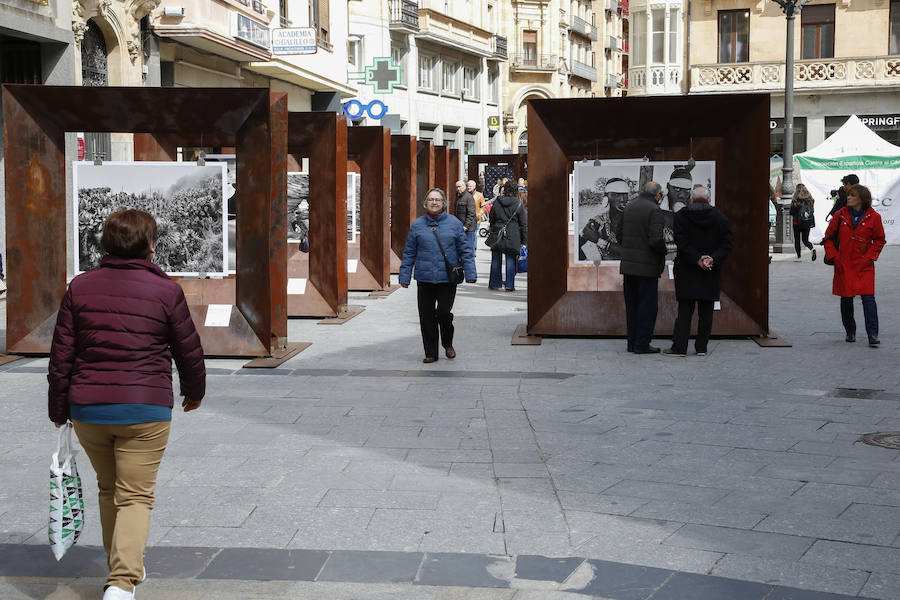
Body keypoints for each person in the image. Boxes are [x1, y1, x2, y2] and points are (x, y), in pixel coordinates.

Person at [47, 209, 206, 600]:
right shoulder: (167, 290)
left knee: (108, 488)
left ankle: (122, 564)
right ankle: (121, 581)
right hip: (145, 408)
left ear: (106, 244)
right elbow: (188, 349)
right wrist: (194, 390)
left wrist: (58, 408)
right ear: (151, 246)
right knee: (135, 494)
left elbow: (61, 354)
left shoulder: (80, 288)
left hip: (89, 408)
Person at [400, 188, 477, 363]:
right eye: (430, 200)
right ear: (425, 203)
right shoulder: (418, 225)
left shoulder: (454, 223)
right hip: (425, 278)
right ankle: (431, 353)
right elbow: (409, 252)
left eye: (437, 200)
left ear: (443, 203)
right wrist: (405, 276)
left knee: (443, 313)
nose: (434, 202)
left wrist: (471, 272)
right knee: (426, 316)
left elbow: (465, 250)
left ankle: (447, 343)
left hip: (447, 279)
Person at [663, 186, 733, 357]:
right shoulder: (721, 218)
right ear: (709, 199)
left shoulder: (681, 216)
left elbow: (680, 242)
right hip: (709, 270)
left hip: (687, 269)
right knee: (706, 311)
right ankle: (701, 348)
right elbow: (727, 245)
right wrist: (711, 259)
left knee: (685, 310)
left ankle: (679, 347)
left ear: (692, 199)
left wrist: (696, 259)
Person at [823, 184, 885, 347]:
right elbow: (828, 237)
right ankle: (850, 331)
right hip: (844, 263)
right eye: (848, 195)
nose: (848, 197)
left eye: (853, 195)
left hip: (864, 264)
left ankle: (872, 334)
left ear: (862, 199)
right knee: (846, 299)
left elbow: (879, 240)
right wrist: (834, 256)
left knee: (868, 298)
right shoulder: (840, 215)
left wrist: (870, 256)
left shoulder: (874, 217)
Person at [618, 182, 667, 354]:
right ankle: (642, 344)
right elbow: (655, 240)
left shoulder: (629, 206)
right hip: (647, 268)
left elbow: (619, 236)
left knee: (632, 306)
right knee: (647, 307)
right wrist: (664, 250)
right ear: (658, 195)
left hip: (629, 267)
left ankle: (632, 343)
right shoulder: (655, 211)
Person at [487, 180, 527, 292]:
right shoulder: (518, 204)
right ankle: (509, 285)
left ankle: (494, 283)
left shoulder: (497, 202)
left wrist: (494, 228)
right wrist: (524, 240)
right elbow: (523, 224)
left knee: (496, 259)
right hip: (513, 235)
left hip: (498, 233)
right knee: (510, 260)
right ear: (515, 191)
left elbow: (491, 218)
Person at [579, 177, 630, 261]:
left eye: (625, 194)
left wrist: (598, 241)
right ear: (606, 198)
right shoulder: (597, 222)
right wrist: (586, 263)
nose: (622, 199)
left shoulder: (636, 219)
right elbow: (576, 245)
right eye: (616, 195)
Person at [789, 183, 817, 261]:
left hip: (797, 223)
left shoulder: (796, 199)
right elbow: (812, 211)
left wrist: (794, 205)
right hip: (807, 222)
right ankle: (812, 249)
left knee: (797, 240)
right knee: (805, 240)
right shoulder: (810, 200)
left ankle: (799, 257)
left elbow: (791, 212)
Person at [454, 180, 477, 253]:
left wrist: (466, 226)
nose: (458, 188)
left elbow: (471, 213)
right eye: (457, 187)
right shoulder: (458, 196)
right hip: (459, 226)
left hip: (468, 228)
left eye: (459, 187)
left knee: (468, 248)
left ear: (464, 187)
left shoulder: (469, 197)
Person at [468, 179, 486, 253]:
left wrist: (479, 214)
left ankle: (473, 251)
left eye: (470, 186)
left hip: (476, 219)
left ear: (474, 186)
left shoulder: (479, 195)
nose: (468, 187)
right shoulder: (465, 195)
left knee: (474, 234)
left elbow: (483, 206)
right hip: (467, 218)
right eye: (467, 186)